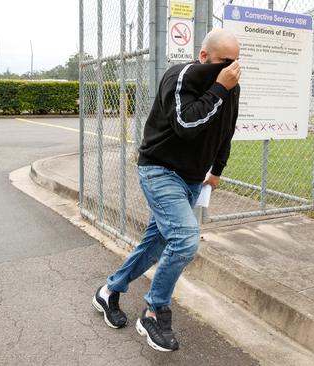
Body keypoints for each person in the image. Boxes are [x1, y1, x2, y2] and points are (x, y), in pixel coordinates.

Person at [92, 28, 241, 352]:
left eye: (236, 62)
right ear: (204, 57)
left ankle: (108, 291)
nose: (231, 69)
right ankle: (154, 311)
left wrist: (216, 171)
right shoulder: (180, 76)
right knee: (185, 239)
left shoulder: (231, 87)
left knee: (157, 245)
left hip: (191, 179)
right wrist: (219, 88)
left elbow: (225, 130)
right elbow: (187, 124)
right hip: (159, 171)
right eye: (223, 62)